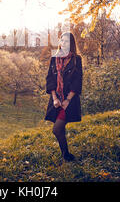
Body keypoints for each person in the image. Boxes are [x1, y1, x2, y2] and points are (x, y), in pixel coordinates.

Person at [45, 32, 83, 162]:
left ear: (71, 44)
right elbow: (50, 79)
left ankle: (66, 154)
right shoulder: (54, 59)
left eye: (66, 41)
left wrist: (67, 99)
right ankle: (66, 155)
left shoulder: (76, 59)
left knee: (56, 129)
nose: (63, 43)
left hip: (69, 100)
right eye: (62, 40)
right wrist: (55, 98)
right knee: (59, 129)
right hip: (57, 99)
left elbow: (78, 81)